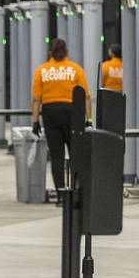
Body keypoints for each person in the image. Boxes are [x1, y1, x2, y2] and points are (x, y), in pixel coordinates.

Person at [31, 38, 91, 199]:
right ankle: (76, 191)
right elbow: (85, 96)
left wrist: (35, 122)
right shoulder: (75, 69)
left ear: (50, 52)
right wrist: (89, 119)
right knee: (75, 154)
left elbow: (36, 99)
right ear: (66, 52)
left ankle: (60, 195)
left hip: (50, 113)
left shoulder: (42, 71)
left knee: (56, 156)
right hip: (72, 113)